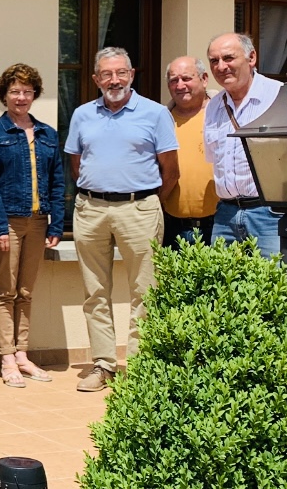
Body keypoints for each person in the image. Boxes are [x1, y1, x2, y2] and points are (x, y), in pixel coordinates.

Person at [64, 47, 178, 393]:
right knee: (95, 291)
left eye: (121, 73)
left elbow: (170, 170)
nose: (114, 80)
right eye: (106, 74)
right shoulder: (83, 114)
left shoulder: (155, 113)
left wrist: (142, 200)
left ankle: (141, 368)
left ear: (132, 75)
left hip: (139, 209)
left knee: (145, 291)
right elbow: (76, 163)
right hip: (91, 210)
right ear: (96, 79)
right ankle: (103, 365)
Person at [0, 63, 64, 389]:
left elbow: (57, 179)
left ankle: (23, 354)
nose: (21, 97)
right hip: (8, 223)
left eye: (27, 91)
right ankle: (7, 358)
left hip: (38, 222)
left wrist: (57, 223)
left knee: (26, 292)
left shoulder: (47, 134)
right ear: (5, 94)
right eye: (15, 91)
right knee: (5, 292)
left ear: (34, 94)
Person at [203, 33, 287, 301]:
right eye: (214, 60)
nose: (221, 66)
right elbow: (216, 161)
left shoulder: (281, 96)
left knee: (276, 298)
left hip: (271, 215)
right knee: (226, 302)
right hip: (226, 215)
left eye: (228, 58)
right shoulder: (214, 106)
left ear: (252, 58)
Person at [161, 56, 217, 249]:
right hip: (173, 226)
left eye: (186, 78)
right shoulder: (160, 120)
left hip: (220, 226)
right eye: (174, 80)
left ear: (204, 79)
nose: (180, 85)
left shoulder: (223, 114)